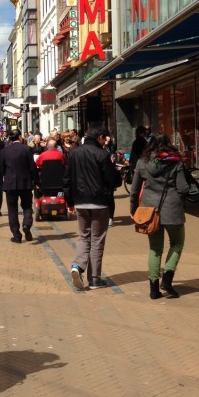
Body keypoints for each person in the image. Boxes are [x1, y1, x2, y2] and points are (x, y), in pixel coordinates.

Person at [129, 132, 190, 299]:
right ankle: (168, 278)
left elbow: (134, 191)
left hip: (149, 211)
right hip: (173, 210)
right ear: (168, 144)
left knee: (155, 249)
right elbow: (183, 188)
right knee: (177, 243)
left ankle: (154, 289)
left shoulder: (142, 162)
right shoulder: (175, 161)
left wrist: (134, 210)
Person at [63, 123, 119, 291]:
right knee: (97, 239)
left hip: (80, 201)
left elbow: (67, 179)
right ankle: (94, 279)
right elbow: (113, 180)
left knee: (83, 237)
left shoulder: (73, 153)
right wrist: (115, 169)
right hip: (100, 202)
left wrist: (69, 201)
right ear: (99, 137)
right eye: (104, 138)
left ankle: (78, 266)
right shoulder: (102, 154)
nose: (106, 141)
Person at [0, 128, 38, 242]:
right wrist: (36, 181)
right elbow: (32, 167)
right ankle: (26, 224)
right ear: (20, 137)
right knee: (27, 206)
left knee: (12, 210)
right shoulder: (27, 149)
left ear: (10, 138)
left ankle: (16, 235)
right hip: (25, 183)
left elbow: (2, 169)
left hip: (10, 184)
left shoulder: (4, 151)